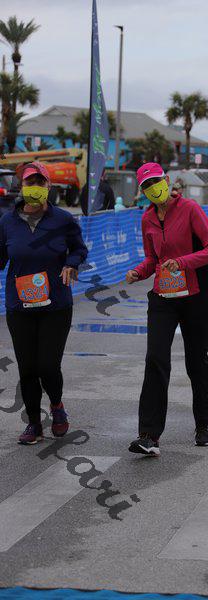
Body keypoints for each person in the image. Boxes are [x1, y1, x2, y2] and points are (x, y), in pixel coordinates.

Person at [126, 162, 208, 457]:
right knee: (155, 358)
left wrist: (182, 262)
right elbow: (152, 259)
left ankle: (203, 422)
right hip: (164, 297)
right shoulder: (147, 218)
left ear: (166, 180)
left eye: (155, 182)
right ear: (142, 191)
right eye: (146, 186)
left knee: (196, 361)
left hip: (196, 295)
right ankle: (149, 435)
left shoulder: (190, 208)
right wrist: (139, 272)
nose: (152, 188)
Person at [0, 162, 88, 444]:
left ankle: (57, 405)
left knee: (48, 366)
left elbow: (79, 249)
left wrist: (71, 264)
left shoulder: (63, 219)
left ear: (49, 187)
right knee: (27, 368)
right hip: (20, 306)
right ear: (22, 186)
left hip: (55, 305)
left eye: (40, 183)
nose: (34, 188)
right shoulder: (7, 221)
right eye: (30, 183)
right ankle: (34, 424)